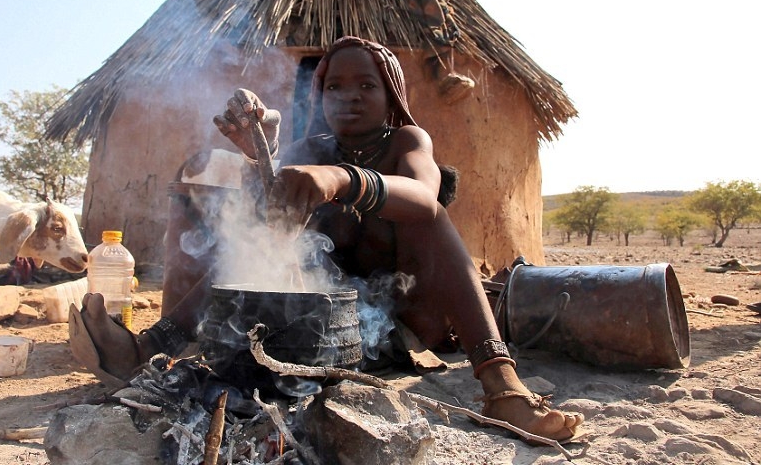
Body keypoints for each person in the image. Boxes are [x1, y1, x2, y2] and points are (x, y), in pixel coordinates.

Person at [69, 35, 583, 442]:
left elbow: (425, 195)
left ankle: (500, 384)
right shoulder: (309, 147)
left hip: (400, 329)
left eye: (366, 85)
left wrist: (343, 180)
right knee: (252, 233)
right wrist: (260, 150)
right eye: (334, 86)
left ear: (391, 95)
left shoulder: (407, 140)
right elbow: (265, 205)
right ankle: (148, 348)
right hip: (319, 336)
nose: (349, 97)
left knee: (429, 221)